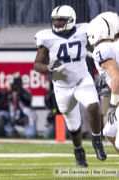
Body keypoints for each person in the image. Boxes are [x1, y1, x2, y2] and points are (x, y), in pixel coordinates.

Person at [34, 5, 106, 167]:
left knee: (94, 107)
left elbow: (95, 50)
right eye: (55, 20)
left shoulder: (83, 32)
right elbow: (37, 63)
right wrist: (48, 68)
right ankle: (79, 151)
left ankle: (97, 140)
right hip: (62, 87)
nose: (57, 23)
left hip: (82, 80)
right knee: (73, 126)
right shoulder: (47, 38)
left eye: (61, 20)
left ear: (71, 20)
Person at [87, 12, 119, 152]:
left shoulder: (102, 50)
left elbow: (116, 77)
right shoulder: (114, 46)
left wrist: (112, 104)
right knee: (109, 132)